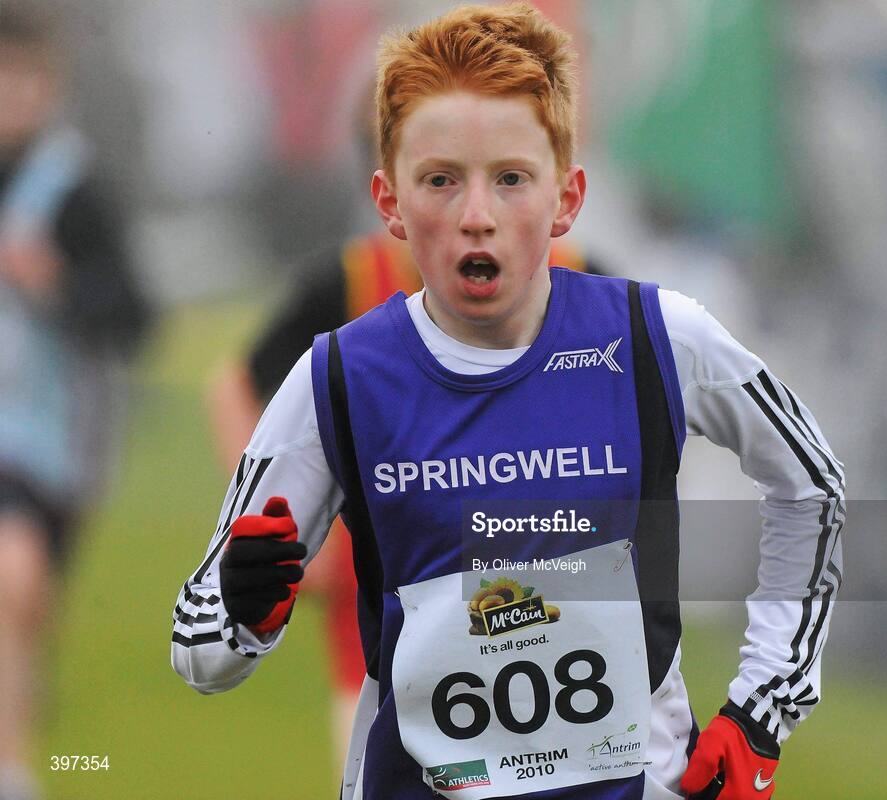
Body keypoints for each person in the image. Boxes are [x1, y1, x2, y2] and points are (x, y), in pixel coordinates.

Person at [171, 5, 845, 799]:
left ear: (568, 197)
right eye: (441, 181)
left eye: (512, 179)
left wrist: (764, 705)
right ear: (390, 202)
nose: (477, 216)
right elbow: (201, 645)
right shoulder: (338, 379)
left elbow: (812, 481)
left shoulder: (658, 335)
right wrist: (244, 609)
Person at [207, 230, 600, 774]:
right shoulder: (353, 280)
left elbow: (649, 414)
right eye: (437, 176)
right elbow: (234, 383)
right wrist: (272, 528)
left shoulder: (585, 280)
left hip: (551, 603)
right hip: (387, 609)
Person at [0, 5, 149, 800]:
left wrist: (56, 286)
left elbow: (134, 318)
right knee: (10, 573)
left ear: (49, 85)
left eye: (24, 79)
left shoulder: (73, 188)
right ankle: (15, 770)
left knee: (24, 596)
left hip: (56, 436)